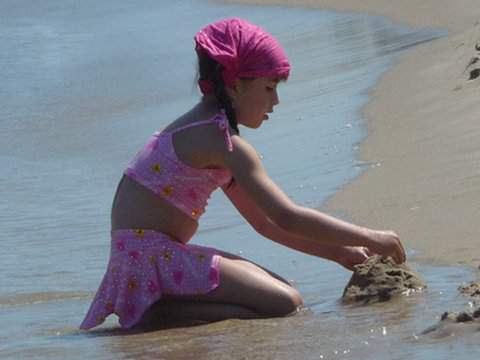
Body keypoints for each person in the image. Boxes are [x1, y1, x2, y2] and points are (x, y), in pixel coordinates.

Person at [80, 17, 406, 330]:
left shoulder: (211, 134)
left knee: (280, 292)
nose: (275, 101)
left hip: (145, 256)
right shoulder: (221, 141)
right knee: (285, 302)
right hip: (150, 256)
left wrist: (337, 252)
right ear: (235, 85)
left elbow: (263, 223)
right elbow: (285, 215)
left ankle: (162, 308)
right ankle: (157, 313)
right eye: (269, 88)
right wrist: (372, 237)